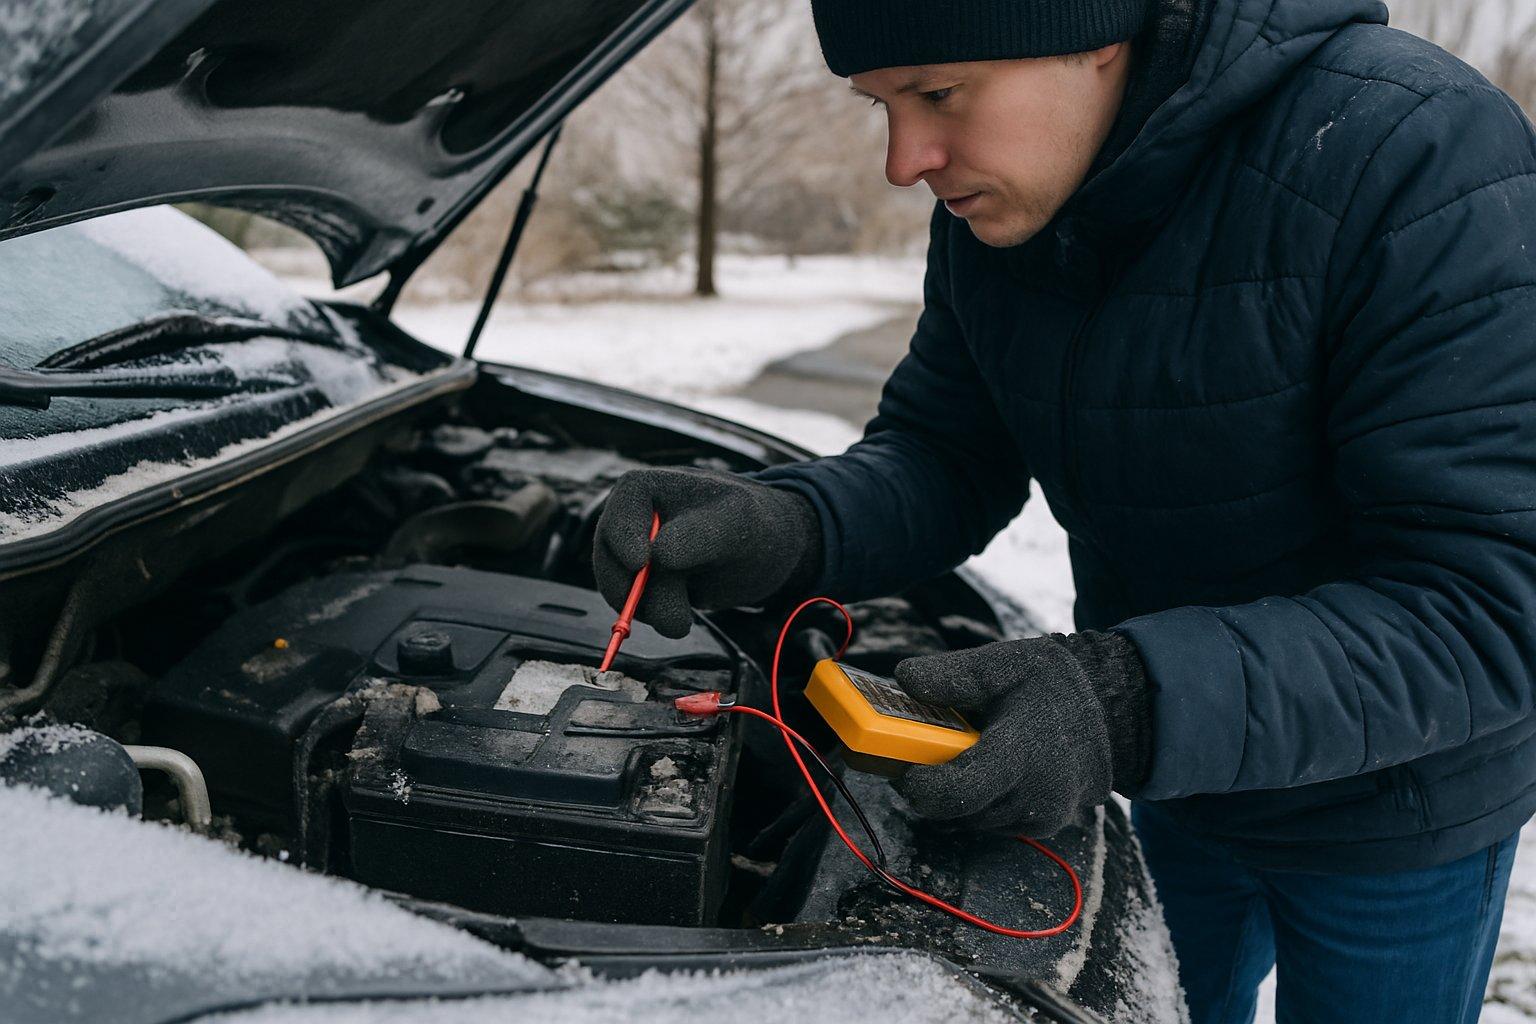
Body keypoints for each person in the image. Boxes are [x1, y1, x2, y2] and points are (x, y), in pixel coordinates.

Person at [592, 1, 1536, 1020]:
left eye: (939, 95)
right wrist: (785, 527)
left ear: (1098, 34)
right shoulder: (1006, 198)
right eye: (880, 106)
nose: (905, 159)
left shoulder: (1419, 153)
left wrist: (1125, 700)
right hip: (1181, 769)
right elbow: (947, 453)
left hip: (1398, 808)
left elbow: (1490, 601)